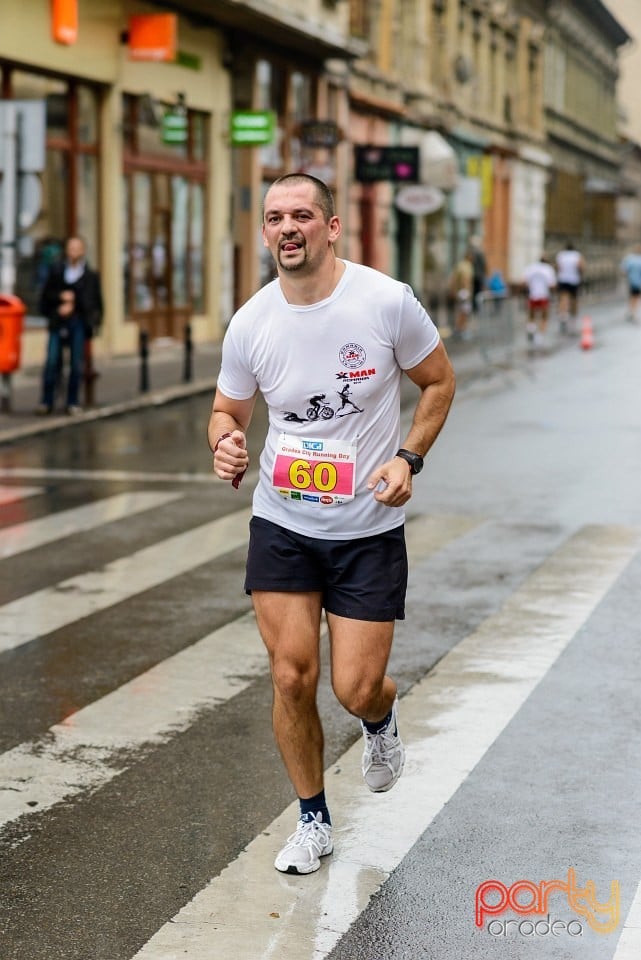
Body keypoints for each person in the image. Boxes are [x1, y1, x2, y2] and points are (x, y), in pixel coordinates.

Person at [208, 173, 455, 876]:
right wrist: (223, 440)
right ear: (264, 233)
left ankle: (379, 719)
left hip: (367, 529)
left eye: (302, 216)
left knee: (353, 687)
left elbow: (438, 381)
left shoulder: (384, 302)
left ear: (331, 226)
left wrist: (409, 457)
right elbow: (227, 413)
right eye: (274, 218)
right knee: (290, 677)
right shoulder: (252, 321)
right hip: (282, 523)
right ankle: (312, 819)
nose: (288, 228)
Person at [36, 235, 103, 415]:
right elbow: (45, 297)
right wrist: (60, 300)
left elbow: (95, 301)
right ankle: (46, 401)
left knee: (76, 363)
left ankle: (72, 402)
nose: (73, 252)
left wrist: (76, 305)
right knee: (51, 361)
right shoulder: (56, 271)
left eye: (77, 248)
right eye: (71, 248)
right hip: (58, 322)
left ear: (83, 251)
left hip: (78, 322)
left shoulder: (90, 276)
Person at [523, 254, 557, 351]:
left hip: (532, 295)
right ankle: (540, 337)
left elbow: (525, 282)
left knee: (531, 315)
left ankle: (531, 328)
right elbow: (552, 284)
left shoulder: (531, 268)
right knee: (544, 316)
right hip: (543, 296)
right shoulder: (548, 269)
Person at [555, 242, 584, 335]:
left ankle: (563, 316)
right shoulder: (577, 255)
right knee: (574, 300)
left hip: (563, 279)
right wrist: (580, 274)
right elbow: (581, 266)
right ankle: (573, 319)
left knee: (563, 298)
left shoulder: (561, 255)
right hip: (574, 280)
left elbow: (558, 267)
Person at [449, 250, 474, 339]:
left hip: (460, 291)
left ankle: (459, 329)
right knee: (464, 311)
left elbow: (454, 278)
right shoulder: (467, 266)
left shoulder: (460, 265)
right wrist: (467, 292)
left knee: (461, 311)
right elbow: (465, 280)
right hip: (464, 292)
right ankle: (461, 330)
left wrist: (453, 290)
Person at [620, 243, 641, 323]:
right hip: (638, 282)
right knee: (635, 298)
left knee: (632, 297)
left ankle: (631, 312)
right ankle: (633, 313)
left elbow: (623, 270)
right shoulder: (636, 259)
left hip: (631, 281)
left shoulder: (630, 258)